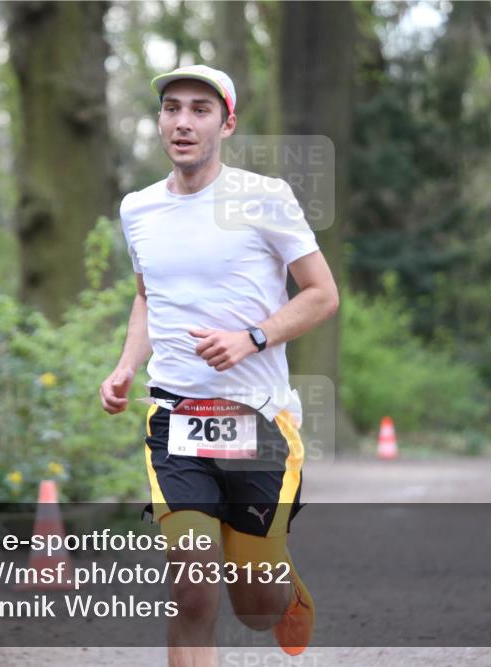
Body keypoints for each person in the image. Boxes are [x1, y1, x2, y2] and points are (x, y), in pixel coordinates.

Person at [100, 64, 339, 666]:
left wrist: (252, 337)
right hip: (176, 421)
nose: (183, 122)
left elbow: (321, 294)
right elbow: (147, 296)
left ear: (226, 123)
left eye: (200, 110)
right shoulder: (139, 209)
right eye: (172, 108)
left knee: (255, 607)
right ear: (159, 120)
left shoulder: (265, 198)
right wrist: (128, 363)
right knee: (191, 590)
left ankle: (281, 588)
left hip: (258, 424)